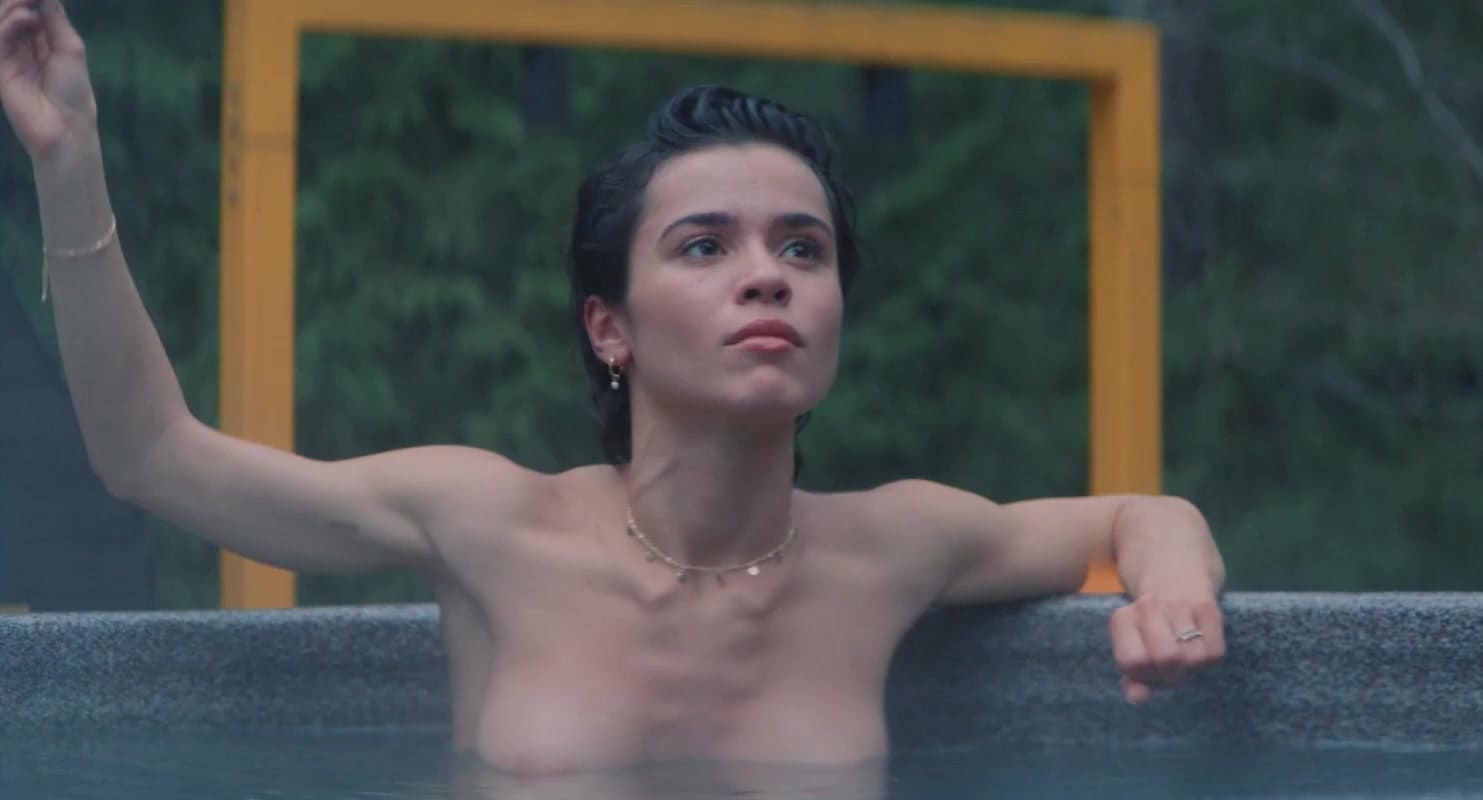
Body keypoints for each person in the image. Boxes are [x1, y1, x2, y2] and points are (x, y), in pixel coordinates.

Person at [0, 0, 1226, 778]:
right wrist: (70, 158)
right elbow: (150, 455)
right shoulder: (487, 523)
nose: (768, 274)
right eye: (705, 245)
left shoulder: (896, 545)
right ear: (610, 326)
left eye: (802, 248)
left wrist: (1171, 586)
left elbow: (1144, 514)